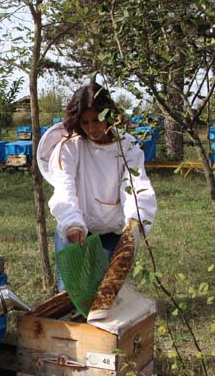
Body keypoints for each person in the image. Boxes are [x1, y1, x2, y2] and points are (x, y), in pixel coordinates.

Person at [39, 80, 157, 292]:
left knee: (105, 290)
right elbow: (64, 188)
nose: (91, 128)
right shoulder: (70, 146)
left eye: (96, 120)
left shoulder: (127, 145)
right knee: (70, 292)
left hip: (113, 229)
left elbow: (135, 185)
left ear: (108, 115)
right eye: (85, 122)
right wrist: (71, 223)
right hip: (75, 227)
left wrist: (135, 221)